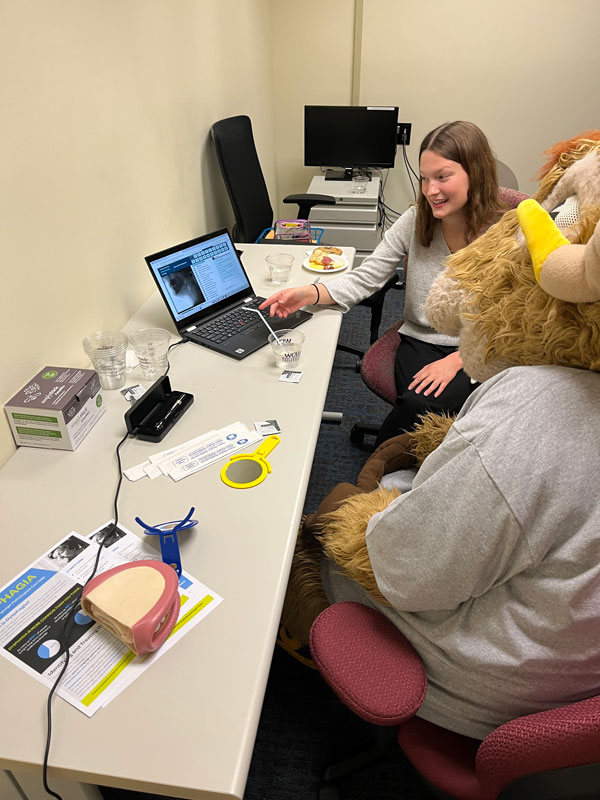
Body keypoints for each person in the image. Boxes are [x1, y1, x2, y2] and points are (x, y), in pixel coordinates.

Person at [260, 121, 507, 444]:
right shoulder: (416, 219)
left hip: (480, 346)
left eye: (442, 177)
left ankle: (380, 476)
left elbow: (511, 318)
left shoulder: (504, 234)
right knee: (421, 405)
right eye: (424, 178)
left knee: (425, 407)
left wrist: (458, 360)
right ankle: (394, 476)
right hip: (420, 338)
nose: (430, 190)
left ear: (475, 173)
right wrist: (311, 292)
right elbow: (368, 275)